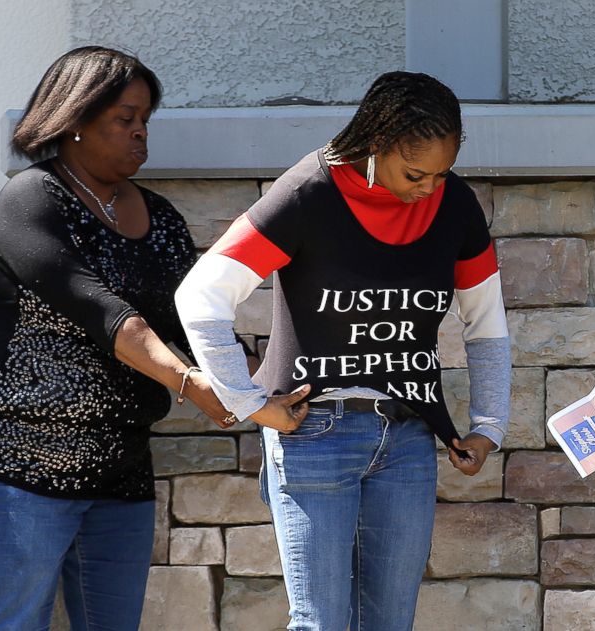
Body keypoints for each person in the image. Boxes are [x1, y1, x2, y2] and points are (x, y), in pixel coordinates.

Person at [176, 71, 511, 631]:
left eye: (441, 173)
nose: (429, 187)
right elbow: (200, 295)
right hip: (314, 436)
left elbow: (487, 325)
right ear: (376, 144)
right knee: (321, 624)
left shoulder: (455, 205)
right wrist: (248, 401)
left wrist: (490, 425)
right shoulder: (310, 192)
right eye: (415, 173)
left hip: (407, 439)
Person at [0, 46, 235, 631]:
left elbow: (194, 322)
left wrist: (251, 380)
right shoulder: (31, 200)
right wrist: (188, 380)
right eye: (124, 120)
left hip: (121, 469)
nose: (140, 135)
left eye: (145, 122)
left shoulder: (160, 218)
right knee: (14, 623)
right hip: (23, 463)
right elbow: (104, 313)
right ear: (75, 121)